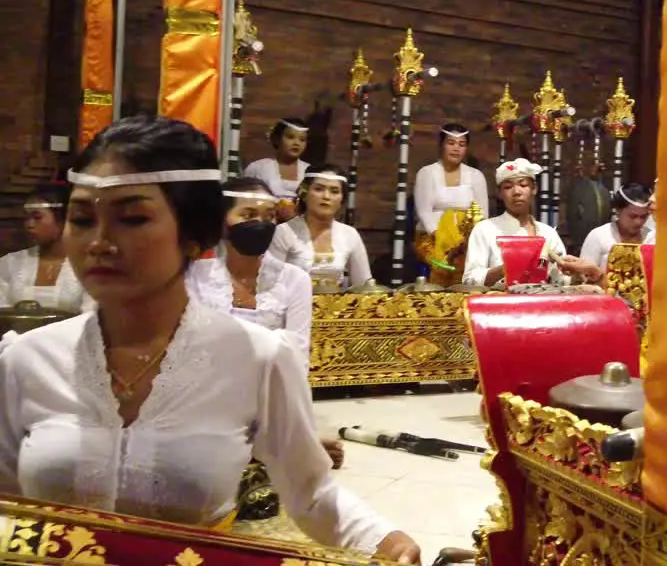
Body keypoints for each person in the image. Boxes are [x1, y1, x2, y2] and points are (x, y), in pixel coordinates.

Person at [0, 115, 419, 562]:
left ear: (193, 234)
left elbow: (312, 493)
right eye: (82, 219)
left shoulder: (256, 359)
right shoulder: (27, 359)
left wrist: (388, 541)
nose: (99, 242)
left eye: (133, 218)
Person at [185, 176, 344, 468]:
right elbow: (191, 349)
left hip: (269, 398)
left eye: (268, 216)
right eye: (247, 215)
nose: (260, 224)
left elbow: (296, 356)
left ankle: (270, 442)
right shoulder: (195, 276)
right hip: (205, 397)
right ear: (223, 222)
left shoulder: (294, 279)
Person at [462, 158, 597, 287]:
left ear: (534, 189)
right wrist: (506, 268)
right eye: (508, 187)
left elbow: (561, 281)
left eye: (523, 185)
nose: (516, 192)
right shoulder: (485, 230)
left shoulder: (548, 233)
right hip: (500, 306)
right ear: (499, 193)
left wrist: (576, 274)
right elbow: (470, 280)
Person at [270, 165, 373, 289]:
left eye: (334, 191)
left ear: (342, 199)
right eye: (319, 189)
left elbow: (364, 285)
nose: (326, 197)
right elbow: (270, 282)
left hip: (336, 306)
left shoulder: (350, 234)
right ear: (304, 194)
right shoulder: (284, 232)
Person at [412, 125, 489, 285]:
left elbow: (483, 215)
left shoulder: (476, 176)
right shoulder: (427, 173)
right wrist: (444, 240)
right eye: (451, 143)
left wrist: (467, 242)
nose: (456, 148)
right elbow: (424, 213)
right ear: (441, 145)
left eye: (461, 144)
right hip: (432, 240)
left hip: (466, 241)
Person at [0, 184, 86, 311]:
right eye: (26, 218)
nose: (29, 224)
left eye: (37, 217)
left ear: (63, 220)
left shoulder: (85, 263)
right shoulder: (10, 263)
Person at [244, 118, 310, 220]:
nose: (297, 143)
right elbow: (245, 201)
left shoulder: (310, 172)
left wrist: (296, 212)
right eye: (290, 137)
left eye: (302, 139)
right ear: (276, 139)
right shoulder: (257, 168)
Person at [580, 183, 653, 270]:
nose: (638, 222)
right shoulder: (599, 236)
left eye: (644, 216)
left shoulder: (652, 238)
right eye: (633, 216)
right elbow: (583, 275)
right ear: (618, 210)